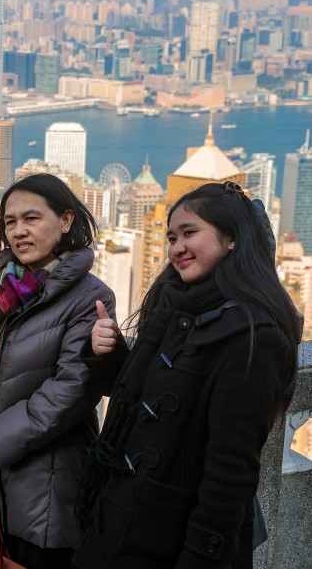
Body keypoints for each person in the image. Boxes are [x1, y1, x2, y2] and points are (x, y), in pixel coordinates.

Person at [75, 181, 301, 569]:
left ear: (231, 238)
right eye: (171, 237)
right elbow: (148, 400)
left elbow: (230, 474)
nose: (176, 247)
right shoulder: (173, 305)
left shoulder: (253, 336)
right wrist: (108, 352)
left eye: (190, 233)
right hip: (120, 517)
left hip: (172, 539)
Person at [0, 172, 114, 569]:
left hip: (44, 496)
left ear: (66, 221)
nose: (19, 231)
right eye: (10, 221)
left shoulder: (90, 298)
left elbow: (69, 392)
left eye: (32, 219)